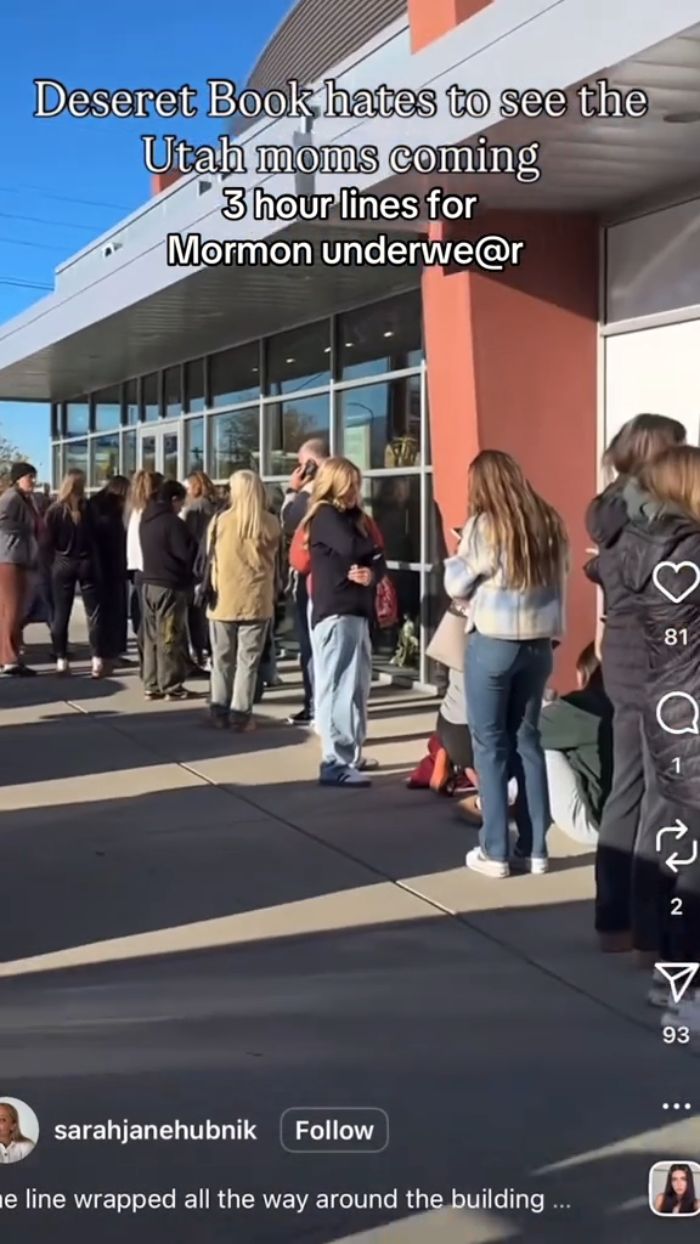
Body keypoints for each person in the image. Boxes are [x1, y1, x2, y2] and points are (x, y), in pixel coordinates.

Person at [585, 414, 686, 955]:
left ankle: (615, 920)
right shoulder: (655, 515)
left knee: (628, 790)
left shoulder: (612, 509)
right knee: (661, 797)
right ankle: (652, 926)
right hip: (656, 661)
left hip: (624, 654)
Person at [445, 450, 568, 879]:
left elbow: (456, 581)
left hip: (495, 640)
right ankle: (535, 848)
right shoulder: (549, 522)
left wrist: (459, 551)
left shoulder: (485, 524)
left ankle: (494, 850)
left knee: (491, 745)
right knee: (528, 743)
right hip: (539, 643)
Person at [613, 446, 700, 1020]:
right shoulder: (691, 548)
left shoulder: (646, 546)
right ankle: (686, 998)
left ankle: (671, 979)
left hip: (669, 709)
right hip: (691, 711)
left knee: (679, 848)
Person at [301, 457, 385, 787]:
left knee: (357, 686)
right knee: (338, 686)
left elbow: (378, 557)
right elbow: (354, 548)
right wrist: (371, 551)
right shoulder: (325, 515)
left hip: (357, 609)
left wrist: (372, 570)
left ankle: (351, 751)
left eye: (357, 484)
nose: (356, 491)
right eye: (350, 484)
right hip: (336, 611)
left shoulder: (354, 518)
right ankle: (335, 762)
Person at [206, 470, 281, 731]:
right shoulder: (271, 523)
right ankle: (240, 714)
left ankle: (218, 709)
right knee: (248, 662)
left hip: (222, 600)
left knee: (221, 659)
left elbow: (209, 557)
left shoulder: (219, 521)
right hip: (256, 599)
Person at [540, 643, 613, 846]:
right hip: (635, 824)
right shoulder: (637, 702)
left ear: (582, 674)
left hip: (592, 826)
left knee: (541, 743)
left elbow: (526, 730)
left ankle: (508, 798)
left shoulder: (582, 707)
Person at [282, 437, 329, 726]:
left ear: (310, 465)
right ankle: (320, 704)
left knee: (310, 645)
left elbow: (287, 522)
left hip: (310, 579)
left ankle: (313, 704)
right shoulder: (341, 490)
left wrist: (292, 490)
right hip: (330, 581)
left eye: (301, 464)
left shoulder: (310, 495)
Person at [139, 479, 197, 701]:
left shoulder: (146, 519)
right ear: (174, 499)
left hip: (149, 583)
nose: (182, 507)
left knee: (152, 636)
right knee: (170, 636)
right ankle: (171, 685)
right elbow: (186, 553)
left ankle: (151, 682)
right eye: (181, 502)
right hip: (170, 585)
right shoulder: (172, 523)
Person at [44, 470, 103, 677]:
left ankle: (61, 659)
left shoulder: (54, 511)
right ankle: (96, 659)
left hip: (62, 563)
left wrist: (48, 564)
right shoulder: (89, 509)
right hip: (86, 562)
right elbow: (97, 537)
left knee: (61, 613)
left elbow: (46, 542)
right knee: (93, 613)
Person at [0, 462, 40, 676]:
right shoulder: (11, 498)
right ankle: (10, 659)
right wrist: (20, 531)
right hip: (10, 558)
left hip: (19, 558)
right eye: (29, 477)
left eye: (34, 476)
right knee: (11, 610)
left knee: (13, 609)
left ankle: (8, 655)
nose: (33, 481)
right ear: (17, 478)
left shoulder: (25, 499)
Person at [90, 475, 130, 671]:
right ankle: (110, 652)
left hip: (100, 565)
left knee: (104, 612)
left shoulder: (95, 504)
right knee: (113, 611)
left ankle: (106, 652)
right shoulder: (110, 509)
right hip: (110, 565)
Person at [183, 470, 219, 669]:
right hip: (214, 560)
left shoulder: (195, 508)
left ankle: (199, 651)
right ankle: (209, 650)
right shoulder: (215, 505)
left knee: (196, 612)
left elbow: (189, 537)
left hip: (198, 562)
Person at [127, 470, 163, 652]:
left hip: (136, 568)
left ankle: (145, 662)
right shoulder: (152, 512)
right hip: (151, 568)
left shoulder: (134, 510)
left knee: (141, 619)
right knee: (153, 622)